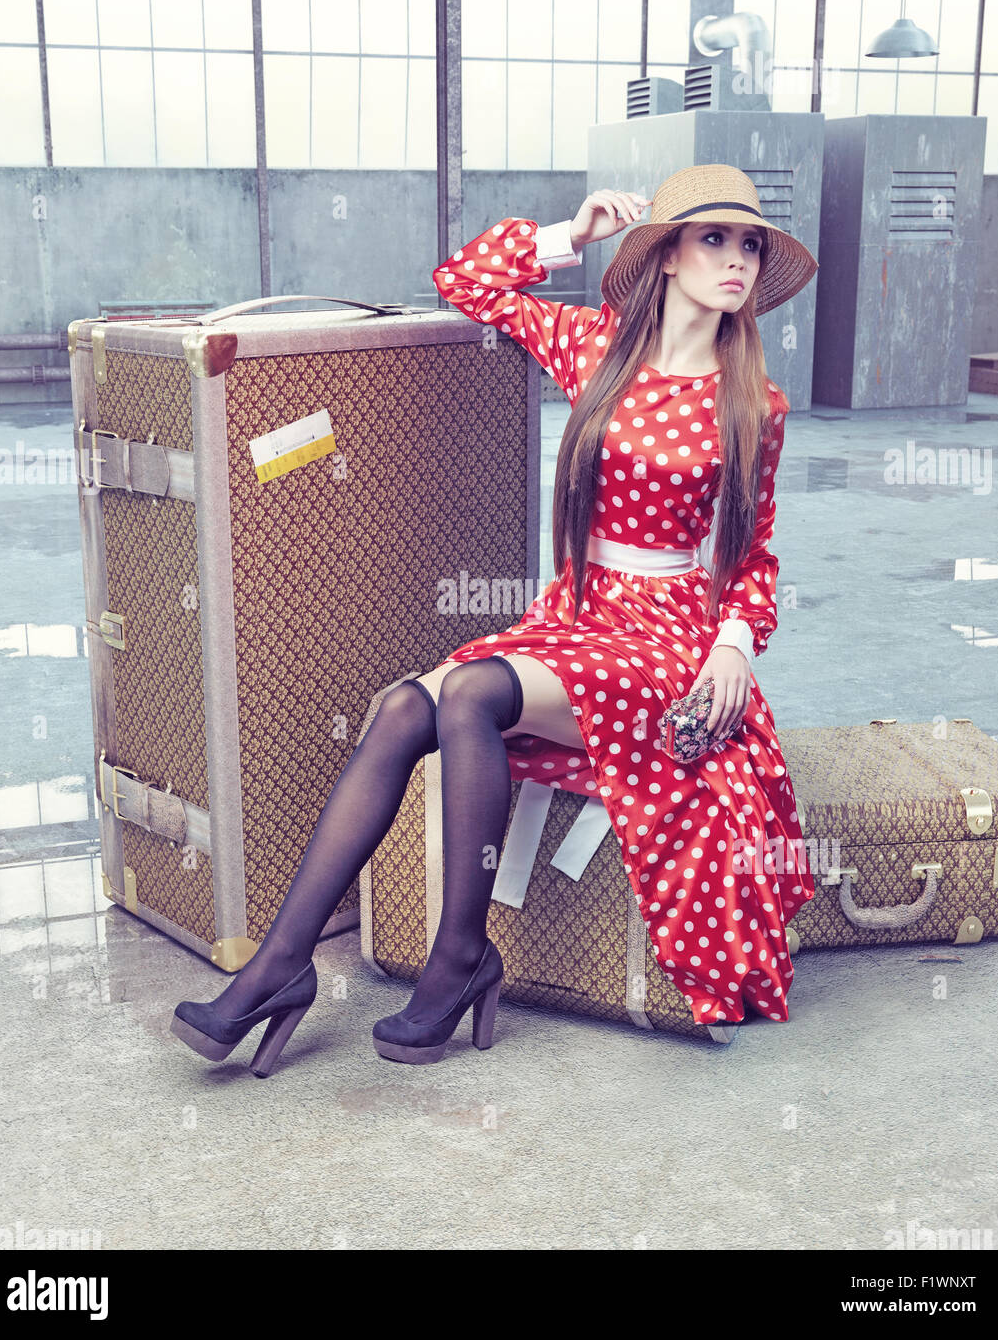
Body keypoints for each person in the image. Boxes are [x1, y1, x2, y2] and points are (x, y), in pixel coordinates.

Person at [171, 162, 819, 1074]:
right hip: (579, 616)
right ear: (666, 256)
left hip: (670, 639)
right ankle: (279, 967)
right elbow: (463, 282)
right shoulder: (595, 347)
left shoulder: (751, 400)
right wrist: (572, 232)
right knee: (404, 706)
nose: (737, 260)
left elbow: (751, 554)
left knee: (469, 694)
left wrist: (733, 646)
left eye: (749, 244)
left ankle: (459, 955)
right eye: (713, 238)